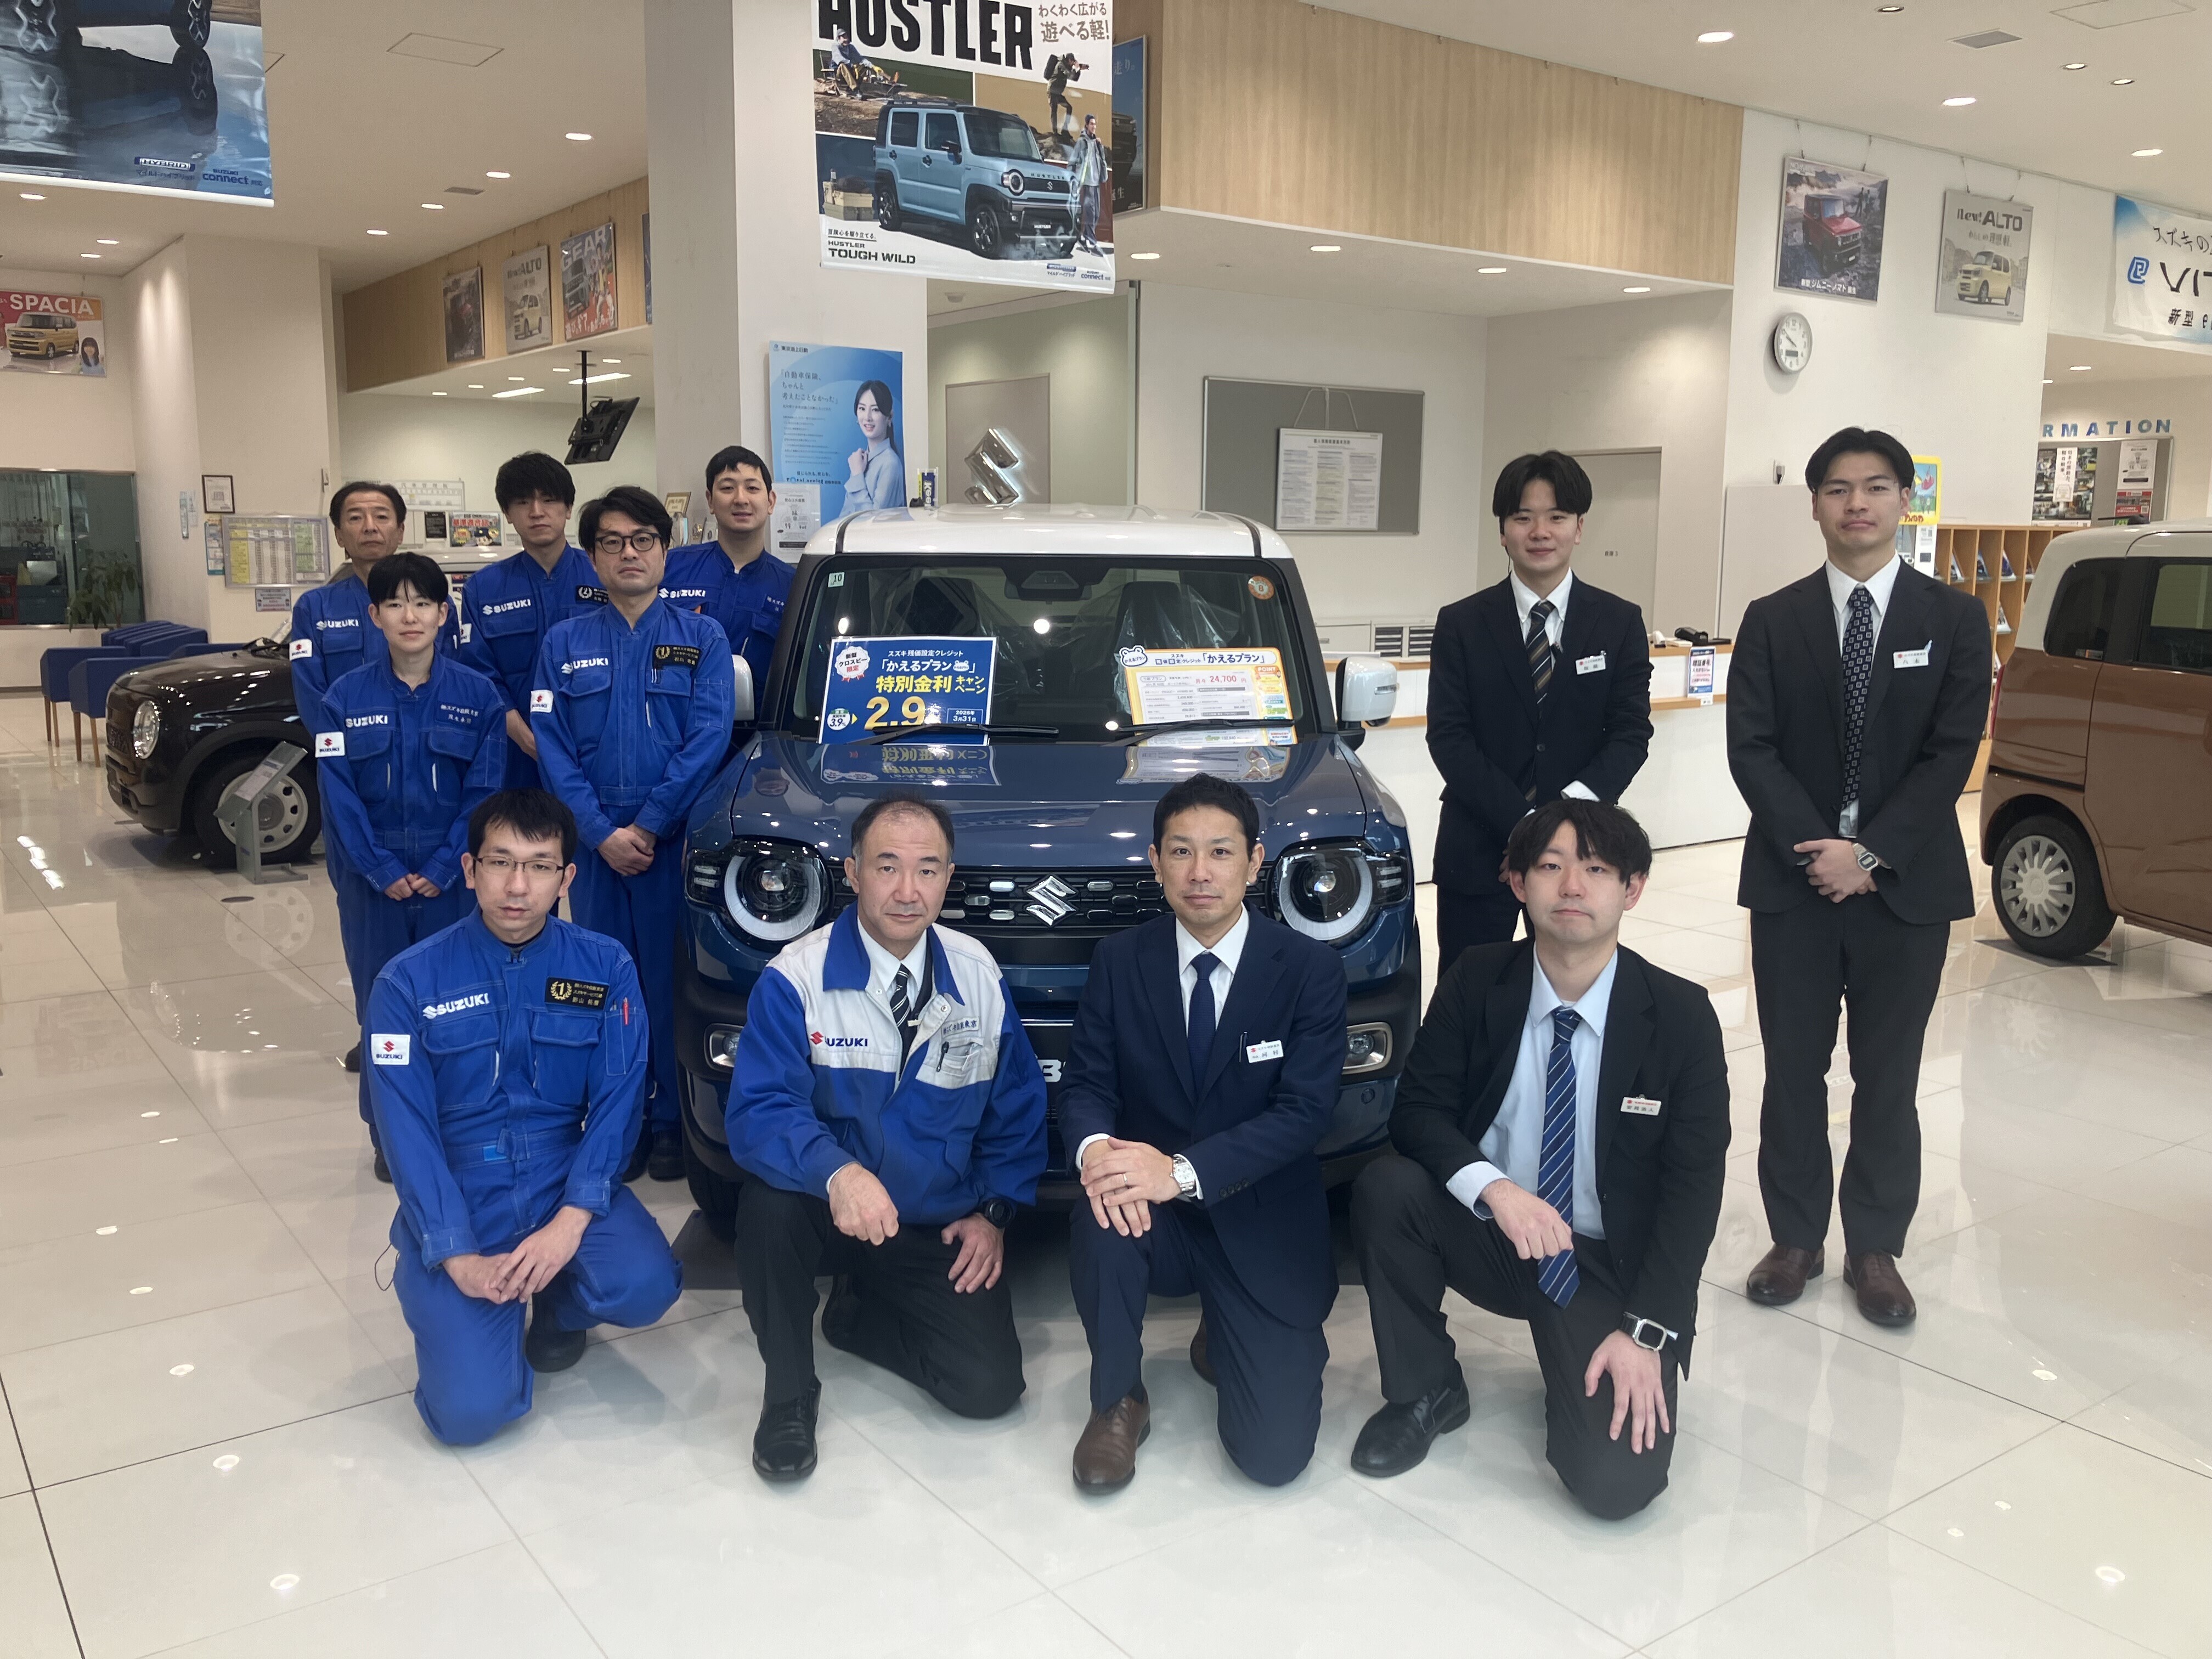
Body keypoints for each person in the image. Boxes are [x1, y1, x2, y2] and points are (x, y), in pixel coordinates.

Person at [1350, 800, 1729, 1519]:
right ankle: (1426, 1389)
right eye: (1551, 866)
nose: (1573, 887)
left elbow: (1693, 1194)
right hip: (1497, 1230)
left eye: (1597, 870)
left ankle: (1577, 1366)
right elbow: (1418, 1112)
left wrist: (1648, 1331)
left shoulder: (1680, 1017)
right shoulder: (1477, 978)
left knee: (1617, 1486)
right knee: (1388, 1188)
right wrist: (1497, 1191)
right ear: (1518, 883)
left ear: (1633, 889)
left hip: (1603, 1262)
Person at [1728, 427, 1990, 1329]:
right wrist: (1820, 850)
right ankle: (1795, 1238)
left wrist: (1870, 853)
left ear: (1904, 501)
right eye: (1837, 488)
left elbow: (1951, 752)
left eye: (1876, 487)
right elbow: (1751, 746)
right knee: (1791, 1073)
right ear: (1814, 505)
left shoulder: (1954, 619)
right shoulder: (1773, 617)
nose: (1857, 504)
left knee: (1888, 1075)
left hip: (1904, 890)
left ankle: (1874, 1246)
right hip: (1793, 885)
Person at [725, 793, 1047, 1483]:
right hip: (826, 1210)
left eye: (927, 870)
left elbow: (1016, 1110)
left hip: (930, 1221)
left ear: (948, 878)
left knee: (989, 1389)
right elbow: (761, 1112)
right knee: (768, 1210)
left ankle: (854, 1315)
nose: (907, 891)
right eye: (887, 866)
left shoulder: (978, 975)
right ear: (853, 872)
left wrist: (994, 1213)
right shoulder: (796, 978)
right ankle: (788, 1392)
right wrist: (838, 1174)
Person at [367, 789, 682, 1446]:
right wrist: (456, 1253)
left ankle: (559, 1302)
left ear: (567, 879)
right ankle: (466, 1308)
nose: (518, 886)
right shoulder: (405, 983)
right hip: (461, 1189)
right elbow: (405, 1131)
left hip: (560, 1171)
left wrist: (571, 1223)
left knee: (646, 1285)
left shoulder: (606, 968)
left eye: (540, 866)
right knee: (469, 1416)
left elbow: (620, 1102)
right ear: (469, 869)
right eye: (501, 862)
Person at [1060, 775, 1346, 1492]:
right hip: (1154, 1219)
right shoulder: (1120, 961)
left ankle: (1225, 1328)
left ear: (1254, 863)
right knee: (1102, 1205)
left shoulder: (1308, 969)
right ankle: (1118, 1398)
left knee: (1273, 1459)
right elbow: (1087, 1085)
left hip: (1262, 1215)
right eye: (1181, 852)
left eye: (1220, 852)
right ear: (1156, 864)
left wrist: (1180, 1172)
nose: (1200, 872)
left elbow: (1304, 1113)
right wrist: (1099, 1154)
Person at [532, 486, 735, 1183]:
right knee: (599, 988)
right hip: (594, 851)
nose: (629, 553)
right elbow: (551, 746)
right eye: (613, 542)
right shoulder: (562, 644)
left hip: (669, 842)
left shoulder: (703, 639)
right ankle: (620, 1124)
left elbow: (708, 738)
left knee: (666, 983)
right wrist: (598, 831)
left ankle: (671, 1121)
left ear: (665, 550)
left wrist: (647, 825)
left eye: (643, 540)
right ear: (593, 556)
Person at [314, 553, 506, 1179]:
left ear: (444, 614)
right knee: (384, 1010)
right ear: (374, 616)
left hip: (453, 879)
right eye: (394, 604)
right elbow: (337, 794)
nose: (410, 616)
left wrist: (449, 863)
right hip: (374, 886)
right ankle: (389, 1135)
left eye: (423, 603)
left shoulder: (478, 697)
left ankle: (455, 1125)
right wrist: (379, 868)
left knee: (458, 1004)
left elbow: (485, 790)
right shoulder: (343, 700)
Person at [1426, 453, 1654, 972]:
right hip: (1478, 848)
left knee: (1571, 980)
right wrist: (1522, 826)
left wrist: (1559, 826)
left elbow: (1630, 733)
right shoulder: (1462, 623)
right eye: (1523, 517)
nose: (1540, 531)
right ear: (1502, 532)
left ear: (1580, 528)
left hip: (1583, 854)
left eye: (1556, 517)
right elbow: (1450, 737)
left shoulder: (1619, 621)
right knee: (1468, 987)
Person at [292, 481, 456, 1075]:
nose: (369, 527)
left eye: (381, 516)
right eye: (356, 517)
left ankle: (439, 1037)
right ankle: (379, 1034)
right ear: (338, 532)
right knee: (368, 927)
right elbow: (313, 699)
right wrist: (354, 744)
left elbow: (451, 681)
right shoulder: (315, 609)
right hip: (357, 794)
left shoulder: (435, 600)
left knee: (444, 930)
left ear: (401, 527)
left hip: (430, 787)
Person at [455, 452, 604, 791]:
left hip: (596, 752)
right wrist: (528, 741)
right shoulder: (484, 588)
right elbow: (481, 675)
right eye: (523, 502)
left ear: (568, 508)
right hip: (515, 754)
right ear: (508, 514)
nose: (537, 511)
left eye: (549, 500)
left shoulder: (603, 575)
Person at [659, 445, 794, 700]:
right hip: (675, 717)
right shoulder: (670, 567)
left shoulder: (793, 586)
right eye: (728, 488)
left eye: (752, 488)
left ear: (770, 501)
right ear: (710, 501)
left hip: (758, 723)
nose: (740, 499)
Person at [842, 381, 905, 514]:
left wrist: (857, 475)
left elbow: (874, 520)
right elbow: (846, 514)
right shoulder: (861, 461)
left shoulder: (890, 463)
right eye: (862, 409)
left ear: (889, 417)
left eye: (875, 410)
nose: (867, 417)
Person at [1068, 112, 1109, 256]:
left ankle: (1084, 236)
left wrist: (1100, 146)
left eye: (1095, 124)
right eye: (1092, 124)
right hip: (1086, 183)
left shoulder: (1096, 142)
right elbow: (1073, 161)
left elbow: (1102, 160)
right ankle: (1092, 243)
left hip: (1097, 182)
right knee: (1090, 213)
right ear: (1086, 125)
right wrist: (1071, 179)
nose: (1094, 126)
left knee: (1096, 214)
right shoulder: (1082, 142)